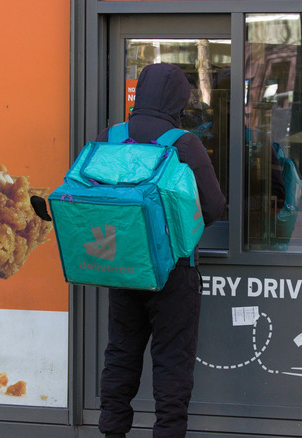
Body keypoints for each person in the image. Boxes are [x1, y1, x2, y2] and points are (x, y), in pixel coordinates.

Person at [95, 63, 226, 438]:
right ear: (178, 99)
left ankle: (112, 432)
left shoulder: (111, 136)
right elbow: (214, 207)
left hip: (123, 265)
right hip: (174, 271)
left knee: (120, 355)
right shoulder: (183, 143)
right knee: (172, 364)